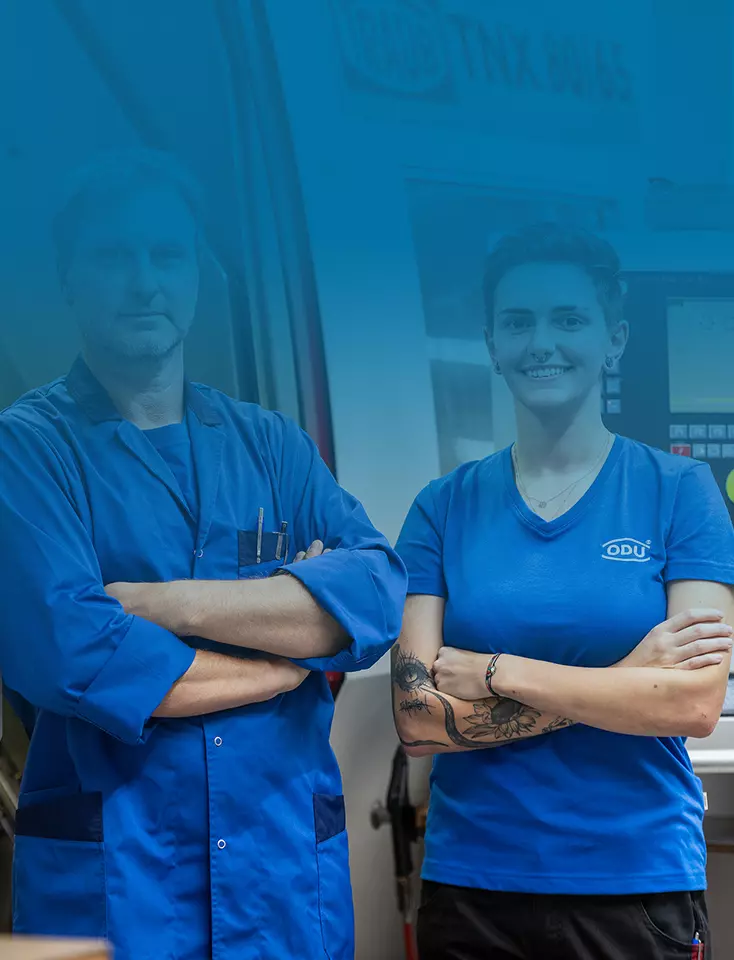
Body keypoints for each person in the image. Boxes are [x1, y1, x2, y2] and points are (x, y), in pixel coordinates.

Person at [0, 149, 406, 960]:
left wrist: (167, 605)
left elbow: (375, 588)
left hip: (280, 872)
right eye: (114, 256)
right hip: (121, 878)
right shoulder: (28, 452)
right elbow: (76, 650)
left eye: (167, 254)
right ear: (70, 277)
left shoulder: (271, 444)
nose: (144, 280)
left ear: (198, 274)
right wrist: (286, 658)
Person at [392, 222, 734, 960]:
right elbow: (418, 720)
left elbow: (691, 703)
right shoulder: (442, 507)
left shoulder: (680, 492)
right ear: (491, 343)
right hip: (473, 888)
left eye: (568, 319)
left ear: (613, 338)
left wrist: (497, 672)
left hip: (635, 887)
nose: (541, 342)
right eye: (518, 322)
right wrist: (620, 684)